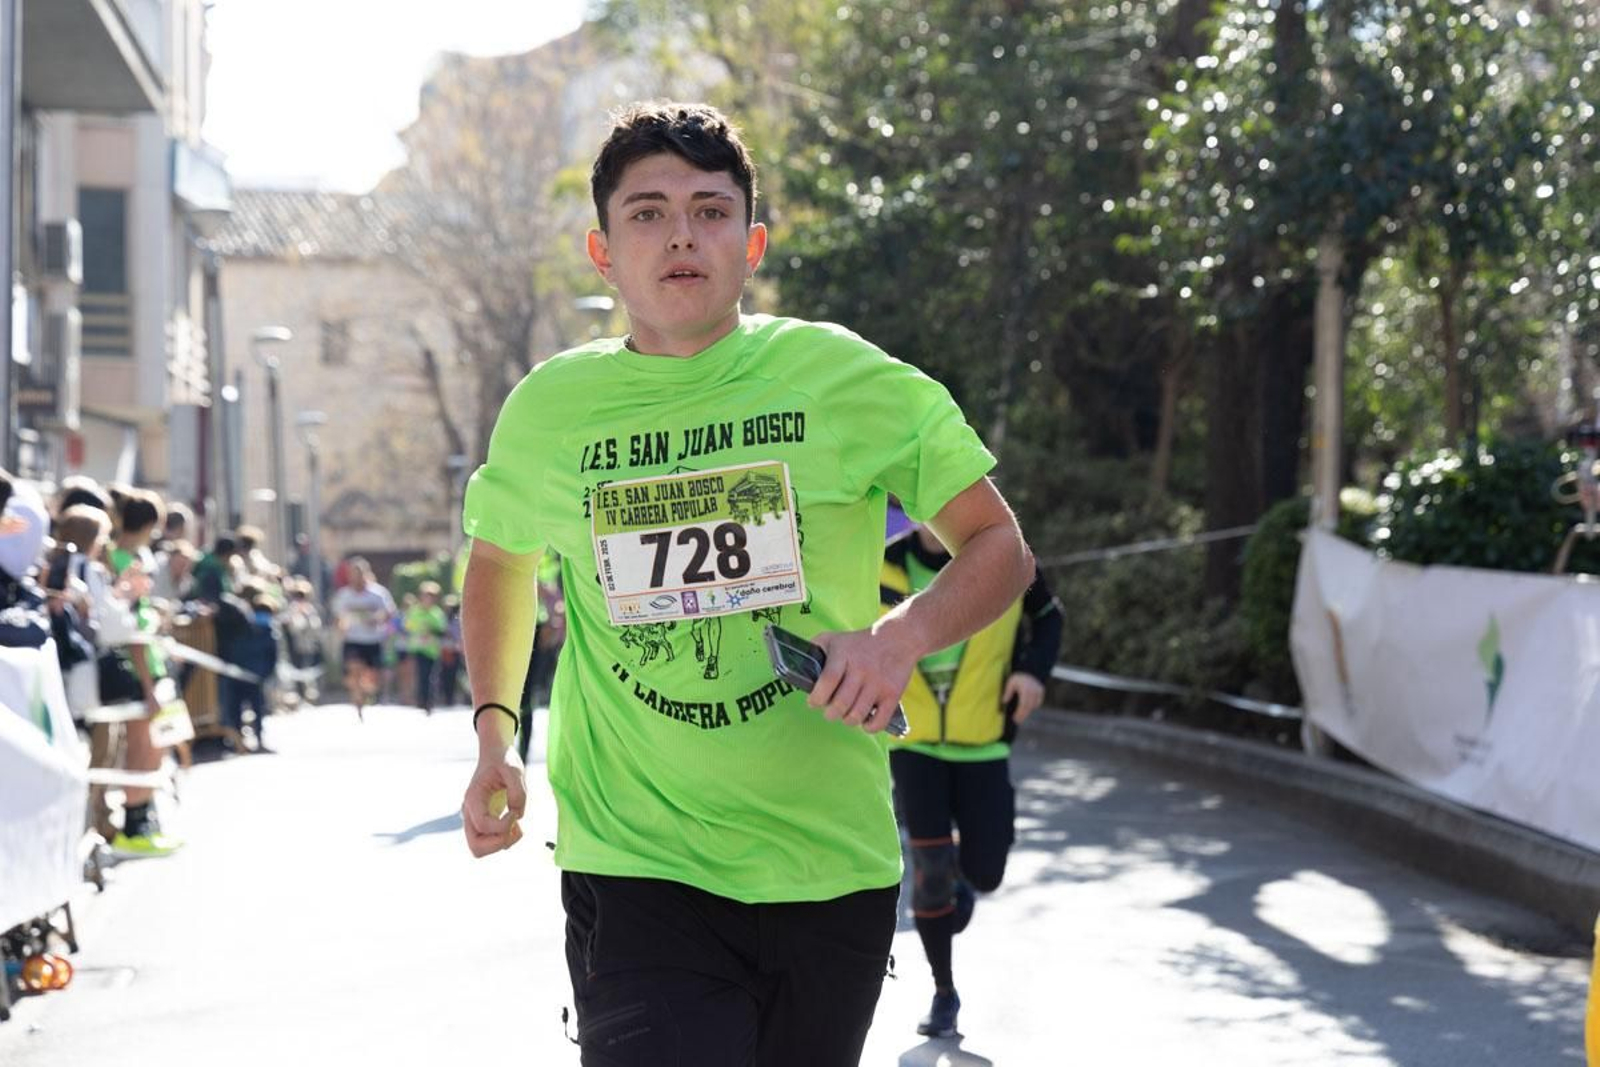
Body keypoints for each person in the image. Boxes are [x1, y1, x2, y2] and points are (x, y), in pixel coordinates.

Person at [457, 102, 1033, 1066]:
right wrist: (493, 733)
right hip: (636, 861)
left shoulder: (842, 378)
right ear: (602, 252)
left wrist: (896, 639)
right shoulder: (551, 410)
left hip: (827, 864)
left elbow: (998, 545)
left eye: (709, 209)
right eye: (646, 212)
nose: (681, 232)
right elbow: (502, 560)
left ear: (752, 241)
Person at [881, 520, 1063, 1038]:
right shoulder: (881, 563)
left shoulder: (1003, 558)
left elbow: (1049, 616)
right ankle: (943, 993)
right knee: (930, 870)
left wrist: (1032, 671)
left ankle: (966, 882)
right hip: (911, 745)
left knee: (985, 872)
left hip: (984, 741)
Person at [329, 556, 394, 720]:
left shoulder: (378, 593)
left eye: (359, 573)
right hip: (353, 639)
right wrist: (340, 626)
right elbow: (337, 617)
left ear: (366, 573)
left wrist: (377, 619)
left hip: (373, 640)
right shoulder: (343, 594)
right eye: (352, 573)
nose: (356, 577)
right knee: (354, 670)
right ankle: (357, 698)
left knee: (373, 680)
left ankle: (365, 693)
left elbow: (389, 613)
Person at [403, 581, 447, 712]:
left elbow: (442, 631)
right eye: (425, 596)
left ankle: (429, 701)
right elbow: (407, 627)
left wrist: (431, 630)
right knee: (421, 674)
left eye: (431, 596)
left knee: (430, 676)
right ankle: (421, 700)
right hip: (417, 648)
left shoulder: (437, 613)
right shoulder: (414, 611)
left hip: (432, 650)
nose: (428, 599)